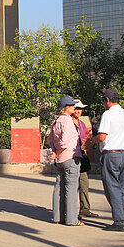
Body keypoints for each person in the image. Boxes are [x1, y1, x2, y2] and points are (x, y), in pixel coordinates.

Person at [88, 88, 124, 231]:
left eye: (103, 101)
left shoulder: (108, 114)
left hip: (111, 154)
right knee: (122, 188)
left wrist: (91, 141)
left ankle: (119, 221)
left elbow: (102, 136)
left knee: (112, 188)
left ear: (107, 100)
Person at [47, 95, 81, 226]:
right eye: (72, 105)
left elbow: (50, 140)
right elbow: (65, 142)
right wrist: (58, 152)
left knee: (59, 187)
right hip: (69, 157)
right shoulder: (67, 121)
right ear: (66, 108)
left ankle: (57, 217)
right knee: (71, 188)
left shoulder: (55, 121)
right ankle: (72, 219)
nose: (74, 107)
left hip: (60, 160)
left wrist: (55, 152)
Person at [72, 100, 99, 219]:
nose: (78, 111)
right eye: (76, 108)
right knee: (71, 185)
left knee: (84, 183)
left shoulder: (82, 124)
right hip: (70, 157)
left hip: (81, 157)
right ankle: (69, 210)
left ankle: (85, 209)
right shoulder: (66, 122)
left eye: (80, 109)